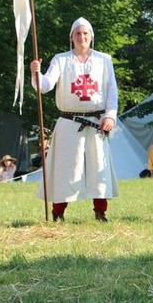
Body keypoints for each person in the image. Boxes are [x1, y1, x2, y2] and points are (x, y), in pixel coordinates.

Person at [30, 17, 119, 222]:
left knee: (99, 168)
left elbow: (111, 90)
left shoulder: (103, 60)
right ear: (72, 37)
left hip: (97, 122)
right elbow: (45, 85)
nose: (82, 37)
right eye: (78, 33)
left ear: (91, 36)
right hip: (69, 123)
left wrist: (110, 116)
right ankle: (58, 213)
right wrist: (36, 73)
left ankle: (100, 211)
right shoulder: (61, 59)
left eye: (85, 33)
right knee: (66, 168)